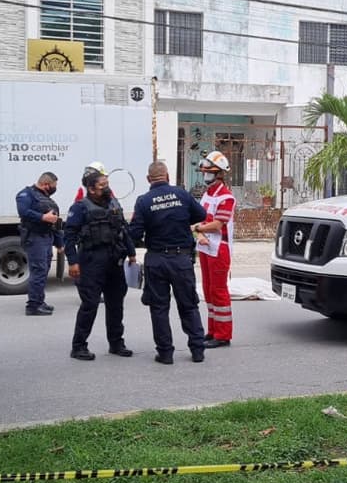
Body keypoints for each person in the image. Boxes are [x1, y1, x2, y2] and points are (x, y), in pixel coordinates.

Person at [128, 161, 209, 364]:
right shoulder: (181, 194)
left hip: (156, 259)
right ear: (168, 176)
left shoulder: (143, 201)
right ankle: (197, 350)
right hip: (181, 258)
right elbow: (201, 215)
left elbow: (135, 233)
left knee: (159, 307)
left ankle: (165, 353)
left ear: (149, 179)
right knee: (189, 305)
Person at [64, 170, 136, 360]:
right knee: (90, 304)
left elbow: (123, 230)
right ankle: (78, 346)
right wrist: (73, 262)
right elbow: (69, 236)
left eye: (107, 183)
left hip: (114, 260)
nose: (107, 187)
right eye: (102, 185)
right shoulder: (80, 207)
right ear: (91, 189)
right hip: (91, 261)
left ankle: (116, 343)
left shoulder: (114, 203)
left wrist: (132, 254)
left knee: (116, 304)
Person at [195, 150, 236, 349]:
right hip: (205, 247)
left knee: (219, 291)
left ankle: (223, 334)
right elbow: (200, 218)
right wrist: (199, 232)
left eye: (209, 171)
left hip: (219, 248)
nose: (205, 175)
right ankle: (212, 330)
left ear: (218, 173)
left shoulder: (226, 197)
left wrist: (197, 229)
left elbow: (218, 224)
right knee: (209, 291)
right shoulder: (208, 194)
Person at [16, 172, 63, 316]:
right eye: (54, 186)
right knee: (38, 270)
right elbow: (23, 212)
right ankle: (33, 306)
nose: (55, 189)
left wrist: (59, 243)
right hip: (35, 238)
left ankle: (39, 301)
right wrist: (43, 217)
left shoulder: (45, 198)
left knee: (43, 271)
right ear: (45, 184)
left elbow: (54, 222)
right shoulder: (25, 195)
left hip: (46, 237)